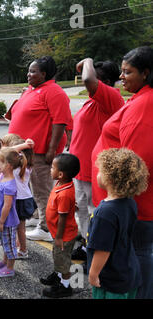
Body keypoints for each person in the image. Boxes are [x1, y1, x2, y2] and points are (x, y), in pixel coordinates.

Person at [91, 46, 153, 299]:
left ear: (146, 73)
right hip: (127, 205)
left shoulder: (144, 107)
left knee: (138, 258)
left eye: (128, 72)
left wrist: (114, 198)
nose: (121, 77)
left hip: (134, 207)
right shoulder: (141, 98)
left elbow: (135, 163)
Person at [8, 56, 73, 242]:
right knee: (25, 187)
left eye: (33, 71)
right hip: (23, 151)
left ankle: (46, 228)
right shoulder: (33, 89)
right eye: (29, 71)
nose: (28, 74)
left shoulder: (54, 92)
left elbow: (60, 122)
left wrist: (52, 150)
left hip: (40, 152)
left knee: (41, 190)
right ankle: (34, 215)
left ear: (44, 74)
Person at [70, 58, 124, 262]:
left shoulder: (111, 96)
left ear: (107, 82)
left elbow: (88, 80)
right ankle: (87, 245)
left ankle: (98, 252)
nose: (93, 82)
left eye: (98, 79)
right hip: (80, 167)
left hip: (95, 170)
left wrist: (88, 60)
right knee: (82, 209)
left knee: (95, 211)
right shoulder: (92, 100)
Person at [87, 148, 148, 299]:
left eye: (100, 171)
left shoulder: (105, 213)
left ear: (110, 178)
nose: (97, 174)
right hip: (128, 271)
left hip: (111, 280)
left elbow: (102, 250)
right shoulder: (130, 203)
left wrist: (93, 274)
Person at [41, 154, 80, 298]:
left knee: (62, 260)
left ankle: (65, 286)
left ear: (61, 174)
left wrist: (58, 237)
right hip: (59, 232)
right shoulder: (62, 184)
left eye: (52, 168)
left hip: (63, 235)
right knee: (58, 257)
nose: (50, 170)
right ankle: (57, 275)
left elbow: (62, 218)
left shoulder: (63, 194)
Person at [0, 134, 36, 259]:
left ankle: (23, 250)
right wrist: (26, 146)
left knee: (16, 226)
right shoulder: (27, 165)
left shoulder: (14, 167)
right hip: (25, 198)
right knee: (21, 227)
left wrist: (25, 145)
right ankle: (19, 246)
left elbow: (6, 152)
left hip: (17, 200)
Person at [0, 148, 27, 277]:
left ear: (7, 165)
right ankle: (4, 261)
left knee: (9, 245)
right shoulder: (4, 178)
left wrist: (1, 222)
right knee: (6, 242)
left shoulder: (10, 184)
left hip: (7, 221)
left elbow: (7, 206)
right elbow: (0, 193)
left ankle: (10, 268)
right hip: (4, 220)